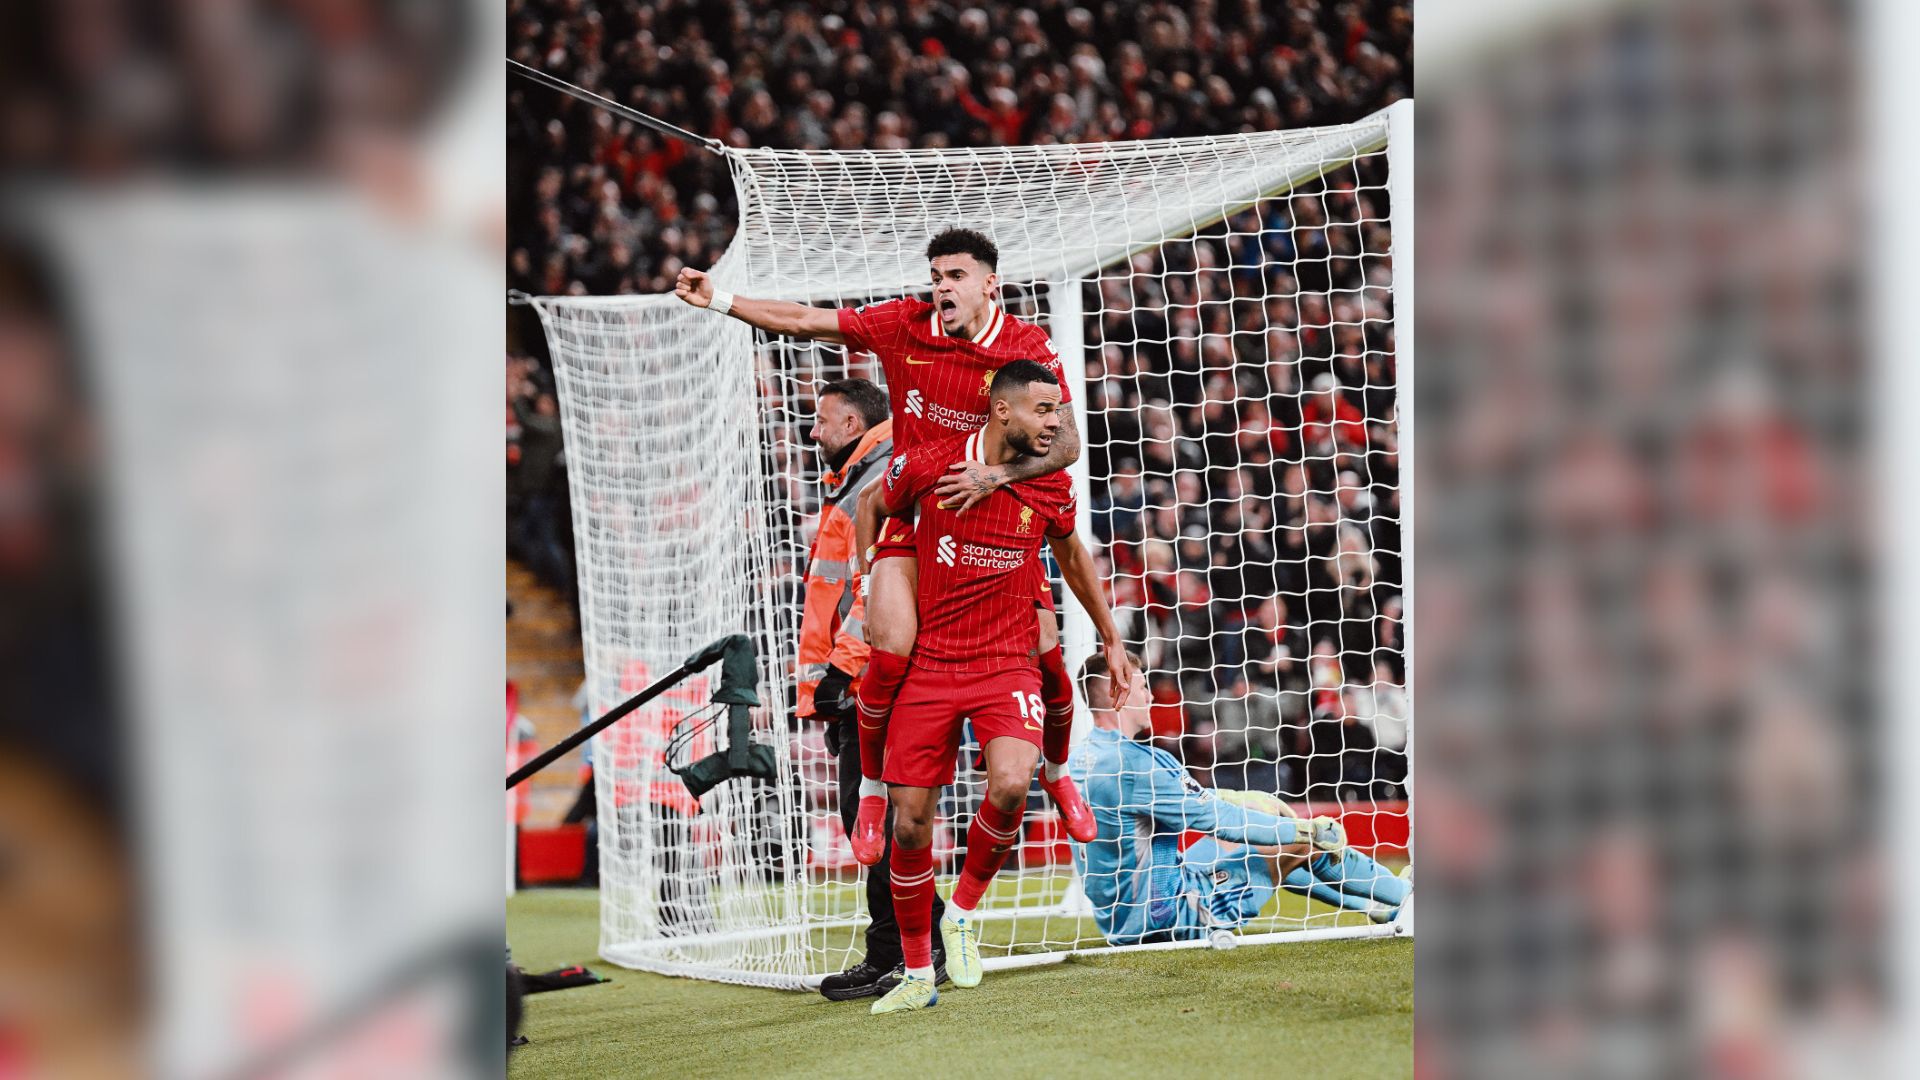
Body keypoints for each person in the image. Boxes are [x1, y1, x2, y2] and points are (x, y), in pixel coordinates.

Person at [675, 228, 1129, 865]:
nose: (941, 286)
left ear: (989, 284)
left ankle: (1057, 775)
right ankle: (873, 791)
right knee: (885, 654)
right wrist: (720, 300)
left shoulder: (1027, 348)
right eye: (936, 275)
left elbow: (1066, 444)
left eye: (956, 276)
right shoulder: (904, 326)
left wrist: (994, 476)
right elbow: (804, 321)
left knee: (1049, 657)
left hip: (997, 523)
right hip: (916, 519)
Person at [848, 361, 1127, 1014]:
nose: (1056, 422)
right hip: (935, 664)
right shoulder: (929, 467)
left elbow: (1075, 558)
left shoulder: (1049, 484)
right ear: (1003, 412)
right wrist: (867, 585)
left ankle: (964, 912)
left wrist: (1110, 634)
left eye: (1059, 409)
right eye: (1044, 410)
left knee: (1009, 781)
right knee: (910, 825)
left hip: (1005, 662)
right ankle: (918, 973)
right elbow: (870, 504)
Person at [1069, 651, 1412, 946]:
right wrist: (1307, 831)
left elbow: (1181, 800)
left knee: (1267, 841)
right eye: (1143, 687)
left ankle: (1384, 907)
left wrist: (1241, 797)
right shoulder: (1139, 763)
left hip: (1123, 920)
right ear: (1121, 691)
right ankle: (1408, 899)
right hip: (1172, 918)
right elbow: (1223, 822)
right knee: (1297, 842)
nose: (1151, 697)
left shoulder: (1083, 758)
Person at [794, 378, 949, 1000]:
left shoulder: (878, 482)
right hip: (862, 680)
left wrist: (841, 671)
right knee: (873, 822)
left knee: (880, 821)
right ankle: (905, 946)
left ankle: (911, 950)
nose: (813, 432)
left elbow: (877, 590)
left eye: (823, 421)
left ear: (854, 423)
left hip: (872, 682)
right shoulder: (861, 479)